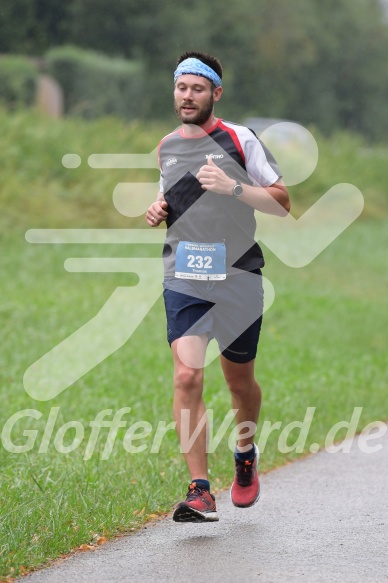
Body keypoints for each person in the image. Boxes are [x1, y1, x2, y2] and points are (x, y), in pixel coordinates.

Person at [146, 51, 290, 522]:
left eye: (197, 89)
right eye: (181, 88)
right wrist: (159, 209)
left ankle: (245, 455)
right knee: (187, 375)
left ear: (215, 94)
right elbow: (175, 195)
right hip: (184, 275)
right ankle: (200, 489)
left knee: (240, 381)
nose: (187, 97)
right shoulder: (167, 145)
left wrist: (233, 188)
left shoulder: (240, 139)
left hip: (239, 277)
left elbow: (281, 203)